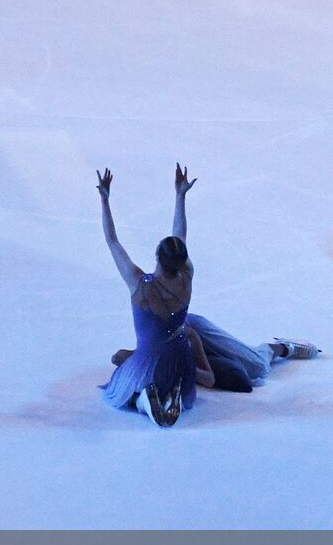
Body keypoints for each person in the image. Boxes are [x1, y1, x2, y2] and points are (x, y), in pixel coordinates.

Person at [96, 164, 199, 427]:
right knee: (130, 361)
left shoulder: (141, 286)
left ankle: (144, 401)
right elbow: (180, 235)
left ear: (157, 257)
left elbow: (112, 241)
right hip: (180, 363)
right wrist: (180, 196)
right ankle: (169, 396)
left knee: (120, 391)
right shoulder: (187, 275)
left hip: (148, 364)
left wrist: (105, 201)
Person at [112, 318, 320, 393]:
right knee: (239, 365)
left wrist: (183, 367)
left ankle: (282, 347)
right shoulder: (155, 351)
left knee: (256, 366)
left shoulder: (189, 336)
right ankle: (241, 351)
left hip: (195, 329)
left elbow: (209, 378)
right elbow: (117, 357)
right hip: (173, 345)